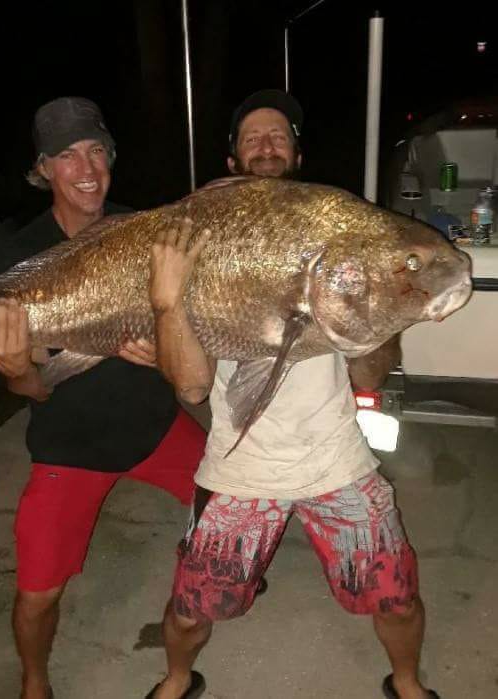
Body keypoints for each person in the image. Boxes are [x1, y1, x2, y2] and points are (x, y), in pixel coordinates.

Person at [143, 90, 440, 699]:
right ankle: (176, 678)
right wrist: (169, 304)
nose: (266, 145)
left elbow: (369, 378)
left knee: (398, 599)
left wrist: (384, 315)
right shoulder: (202, 242)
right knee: (191, 611)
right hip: (240, 465)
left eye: (279, 135)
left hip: (335, 458)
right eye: (252, 137)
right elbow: (193, 385)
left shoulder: (336, 235)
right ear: (232, 162)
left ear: (298, 155)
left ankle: (407, 682)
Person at [0, 96, 207, 699]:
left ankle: (209, 588)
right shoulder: (23, 254)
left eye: (96, 150)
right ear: (43, 168)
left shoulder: (147, 233)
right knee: (37, 594)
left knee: (229, 502)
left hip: (155, 427)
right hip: (69, 446)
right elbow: (31, 387)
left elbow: (190, 336)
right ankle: (34, 682)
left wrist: (167, 350)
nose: (87, 168)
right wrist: (15, 369)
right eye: (67, 155)